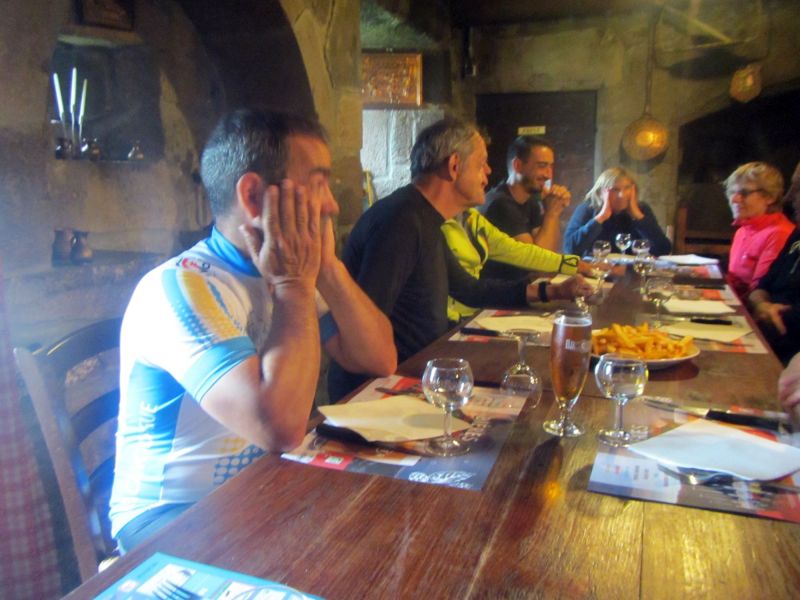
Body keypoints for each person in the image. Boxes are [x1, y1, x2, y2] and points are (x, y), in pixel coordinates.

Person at [109, 109, 396, 552]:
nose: (332, 205)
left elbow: (379, 359)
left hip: (261, 490)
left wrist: (329, 268)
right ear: (253, 195)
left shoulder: (283, 270)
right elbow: (279, 428)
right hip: (170, 519)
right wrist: (294, 285)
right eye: (318, 183)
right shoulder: (182, 287)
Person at [329, 118, 592, 401]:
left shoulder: (424, 217)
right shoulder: (400, 221)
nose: (488, 172)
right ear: (454, 166)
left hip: (417, 374)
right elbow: (364, 325)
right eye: (481, 163)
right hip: (377, 392)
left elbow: (468, 288)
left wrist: (550, 291)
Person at [442, 209, 589, 321]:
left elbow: (515, 249)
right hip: (452, 324)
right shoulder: (435, 225)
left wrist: (571, 264)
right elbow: (467, 289)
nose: (486, 178)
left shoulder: (472, 217)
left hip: (476, 312)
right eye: (479, 170)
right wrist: (552, 290)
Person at [478, 136, 571, 279]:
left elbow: (551, 254)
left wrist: (554, 211)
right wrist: (552, 213)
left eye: (551, 166)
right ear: (518, 165)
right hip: (499, 291)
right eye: (542, 166)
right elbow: (539, 265)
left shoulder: (531, 200)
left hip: (522, 287)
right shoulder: (500, 204)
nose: (548, 175)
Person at [747, 161, 800, 365]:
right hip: (766, 341)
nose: (788, 197)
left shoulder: (779, 231)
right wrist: (763, 305)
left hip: (788, 358)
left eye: (798, 188)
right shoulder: (797, 235)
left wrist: (768, 310)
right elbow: (762, 286)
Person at [563, 167, 672, 257]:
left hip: (632, 272)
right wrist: (601, 217)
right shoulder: (588, 209)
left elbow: (663, 249)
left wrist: (638, 217)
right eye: (615, 190)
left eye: (627, 188)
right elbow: (570, 249)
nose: (622, 195)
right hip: (596, 269)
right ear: (601, 193)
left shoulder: (641, 209)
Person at [725, 162, 794, 298]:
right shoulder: (742, 231)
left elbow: (759, 291)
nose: (735, 199)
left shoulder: (779, 234)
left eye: (744, 193)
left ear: (770, 197)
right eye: (732, 192)